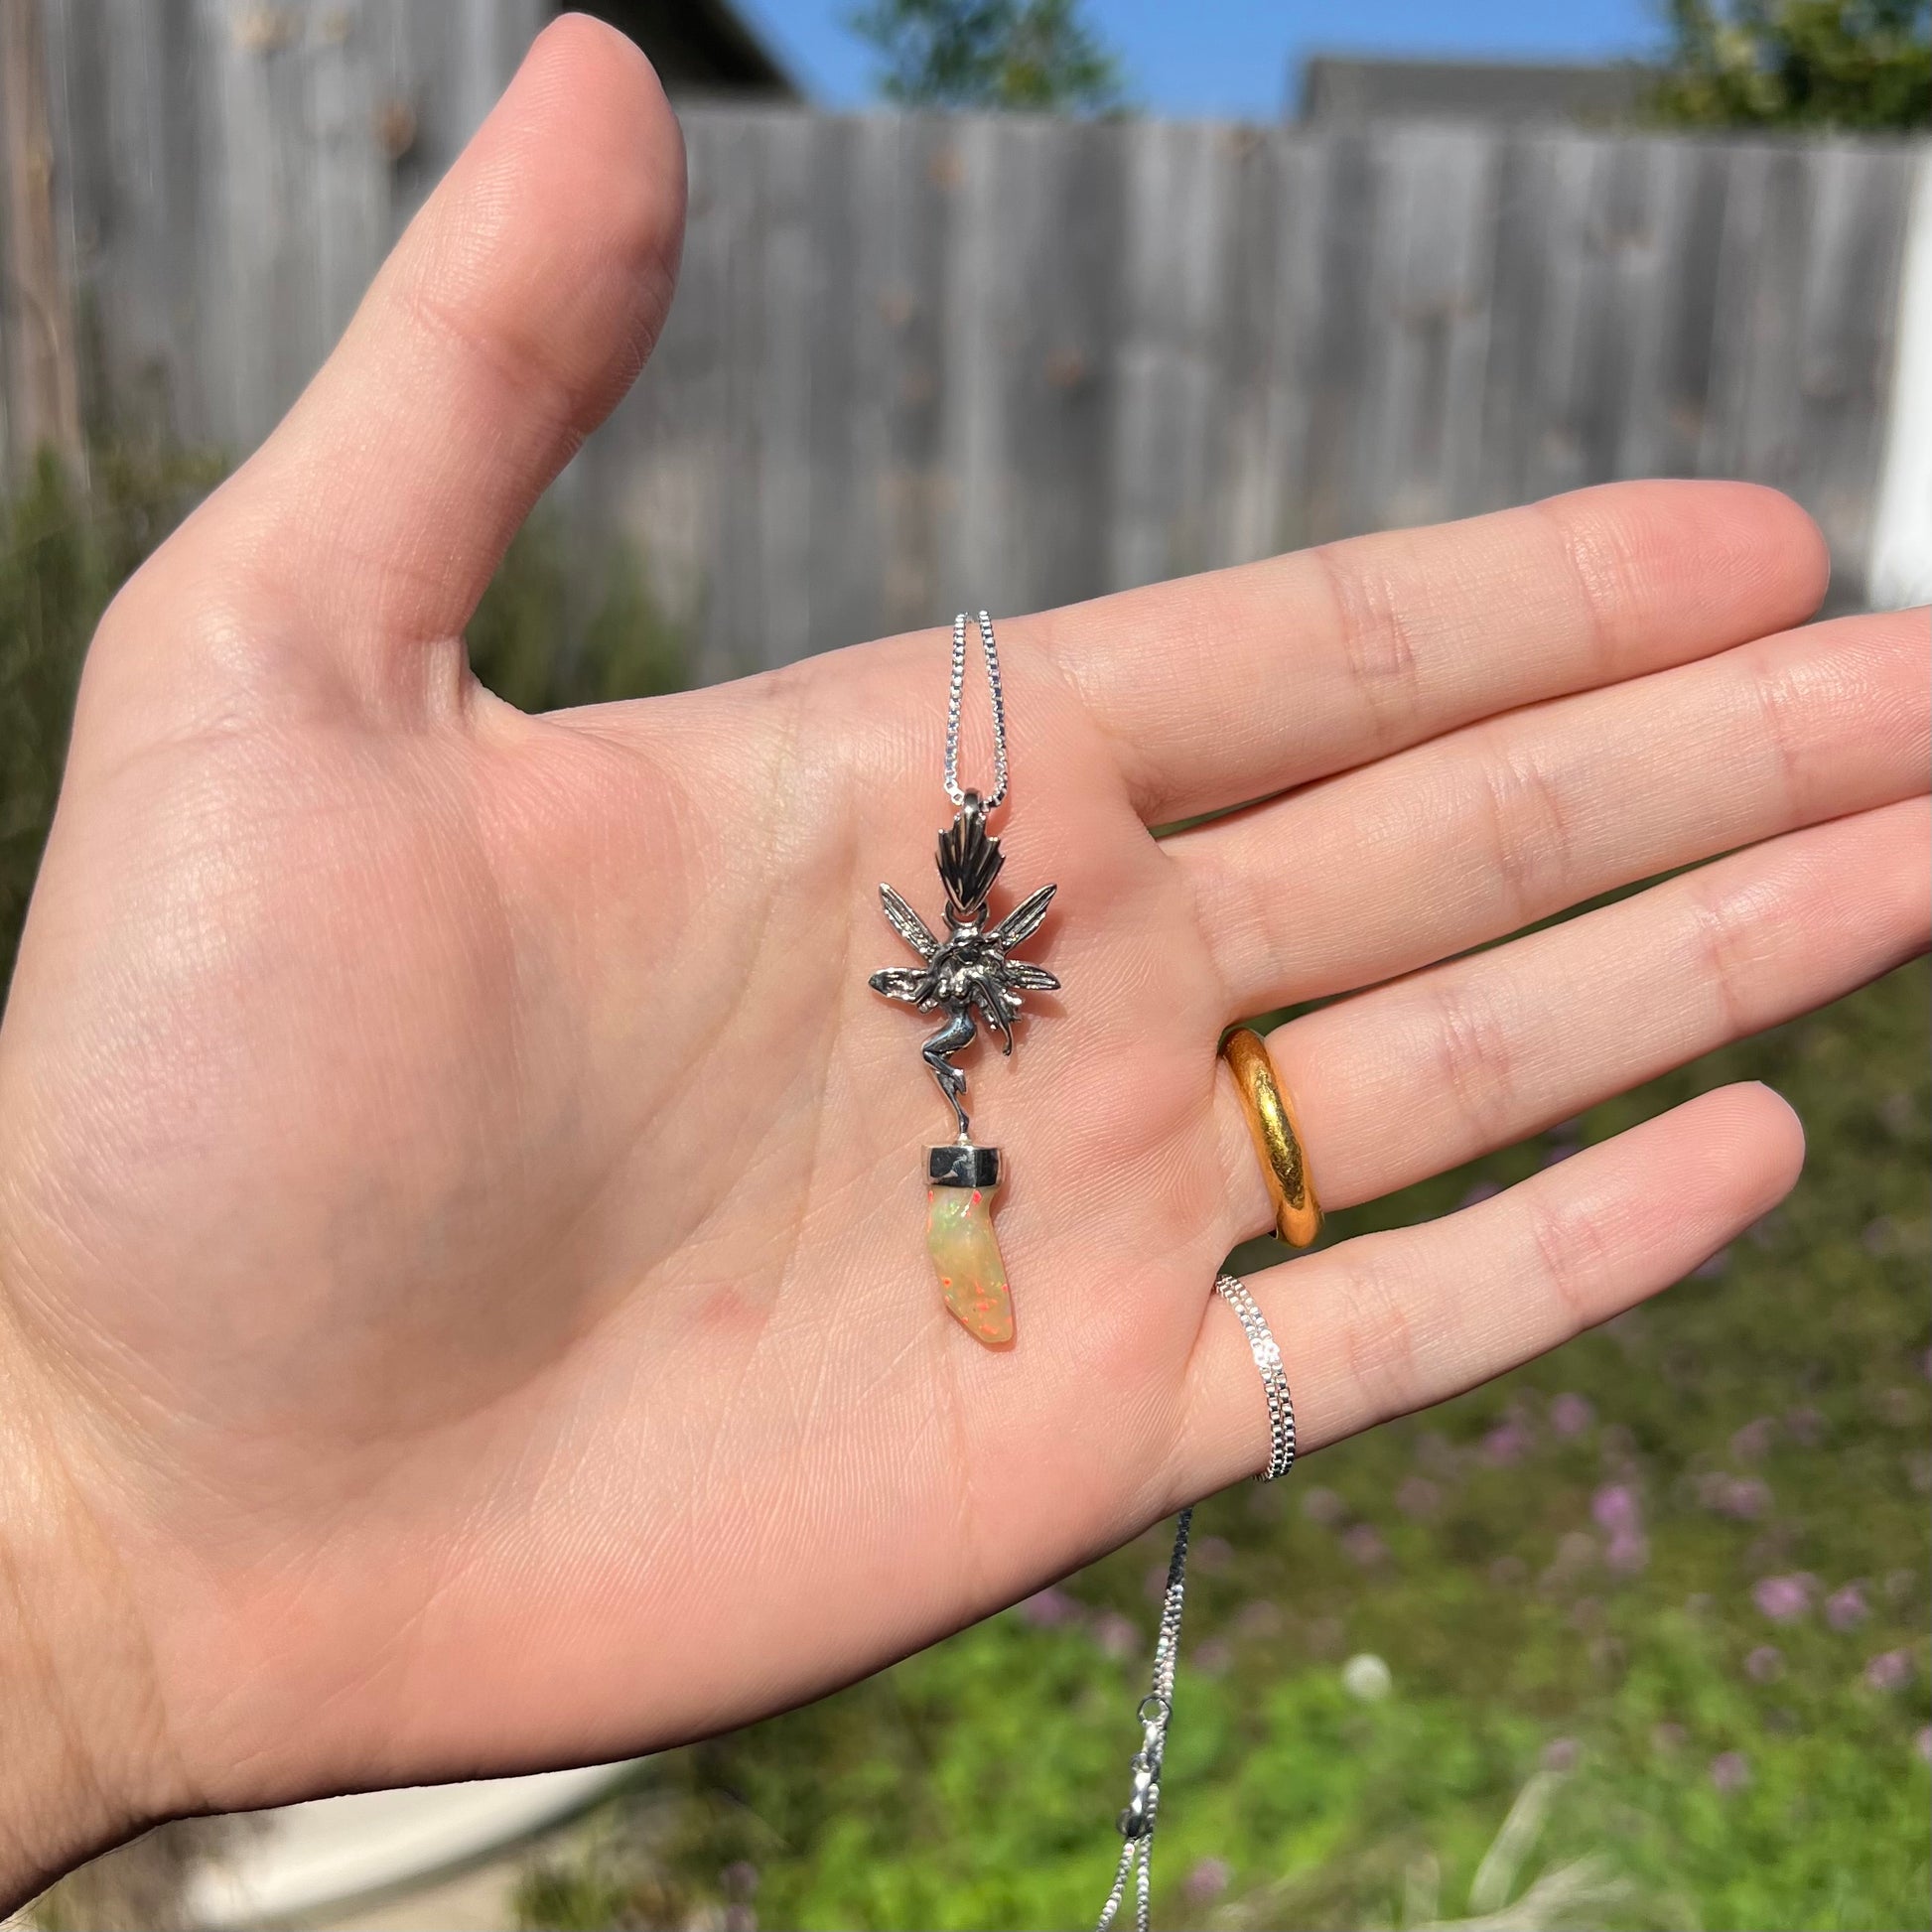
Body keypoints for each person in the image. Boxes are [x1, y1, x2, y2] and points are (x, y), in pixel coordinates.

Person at [0, 16, 1924, 1910]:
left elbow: (963, 981)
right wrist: (85, 1514)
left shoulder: (963, 967)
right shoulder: (959, 974)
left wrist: (90, 1560)